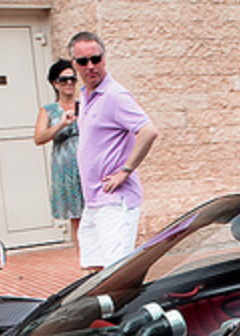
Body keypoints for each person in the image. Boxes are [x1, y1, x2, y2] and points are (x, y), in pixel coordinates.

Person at [68, 31, 160, 271]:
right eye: (83, 61)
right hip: (93, 201)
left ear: (104, 59)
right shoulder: (86, 96)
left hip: (115, 201)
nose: (91, 66)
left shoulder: (115, 95)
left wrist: (125, 171)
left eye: (96, 59)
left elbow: (148, 131)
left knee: (116, 275)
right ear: (74, 64)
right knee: (94, 273)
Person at [34, 59, 84, 244]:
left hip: (87, 165)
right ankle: (84, 263)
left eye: (72, 79)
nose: (69, 83)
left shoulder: (85, 104)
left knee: (93, 215)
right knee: (77, 218)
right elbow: (39, 138)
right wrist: (62, 124)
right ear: (55, 83)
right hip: (66, 168)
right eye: (64, 80)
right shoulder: (48, 110)